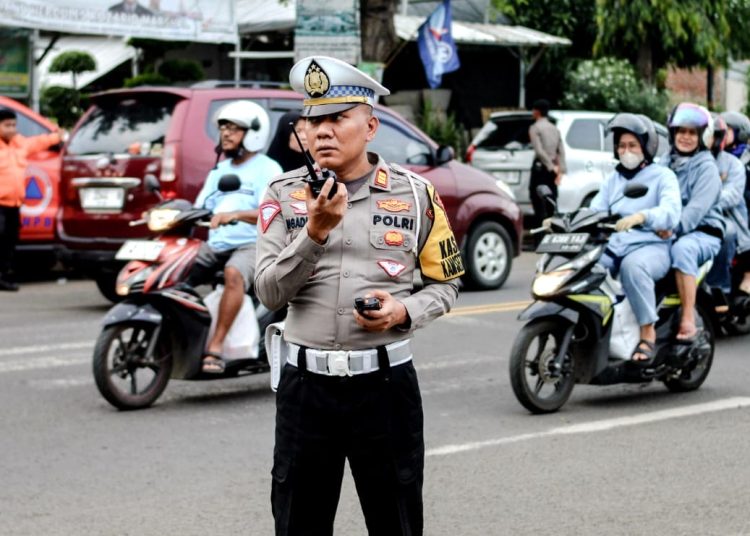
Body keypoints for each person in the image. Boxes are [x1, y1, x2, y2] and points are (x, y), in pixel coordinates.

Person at [255, 55, 464, 535]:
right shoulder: (282, 195)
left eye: (336, 118)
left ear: (370, 126)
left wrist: (403, 310)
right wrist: (314, 233)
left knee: (397, 521)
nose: (321, 131)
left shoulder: (416, 196)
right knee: (298, 523)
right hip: (306, 390)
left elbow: (447, 282)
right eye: (312, 120)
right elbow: (268, 292)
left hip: (386, 389)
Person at [188, 100, 282, 373]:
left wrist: (236, 215)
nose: (226, 134)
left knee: (233, 274)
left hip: (251, 244)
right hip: (215, 243)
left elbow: (271, 210)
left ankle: (216, 347)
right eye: (223, 128)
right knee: (175, 269)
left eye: (233, 128)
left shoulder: (268, 168)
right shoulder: (220, 170)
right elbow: (201, 206)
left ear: (252, 132)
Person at [588, 113, 681, 364]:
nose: (626, 151)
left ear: (646, 147)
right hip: (615, 244)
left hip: (652, 245)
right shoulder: (613, 179)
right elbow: (595, 210)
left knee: (633, 267)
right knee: (587, 269)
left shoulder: (663, 176)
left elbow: (671, 212)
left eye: (632, 145)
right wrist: (561, 220)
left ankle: (647, 333)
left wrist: (643, 216)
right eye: (621, 146)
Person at [660, 103, 724, 342]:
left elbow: (694, 212)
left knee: (682, 249)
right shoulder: (664, 163)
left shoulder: (707, 169)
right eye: (681, 131)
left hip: (701, 233)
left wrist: (670, 229)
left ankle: (688, 318)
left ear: (701, 137)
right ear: (672, 133)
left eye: (691, 133)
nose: (685, 137)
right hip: (664, 230)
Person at [0, 108, 62, 291]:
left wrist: (57, 136)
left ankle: (3, 276)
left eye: (13, 125)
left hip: (14, 204)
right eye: (6, 125)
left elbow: (39, 142)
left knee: (9, 241)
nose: (11, 129)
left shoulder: (20, 145)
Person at [705, 114, 750, 299]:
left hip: (737, 212)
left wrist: (705, 199)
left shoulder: (740, 161)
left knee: (732, 232)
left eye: (727, 131)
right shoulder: (710, 157)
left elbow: (734, 194)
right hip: (715, 211)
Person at [529, 98, 566, 230]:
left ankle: (540, 235)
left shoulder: (535, 128)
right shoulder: (554, 129)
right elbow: (561, 151)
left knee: (538, 201)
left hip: (541, 169)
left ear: (537, 112)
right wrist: (559, 171)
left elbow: (539, 151)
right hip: (553, 171)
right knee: (552, 201)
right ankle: (554, 231)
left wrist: (550, 166)